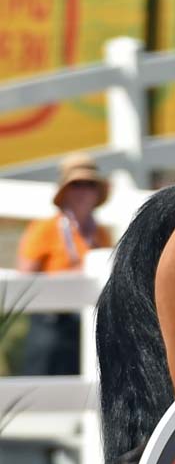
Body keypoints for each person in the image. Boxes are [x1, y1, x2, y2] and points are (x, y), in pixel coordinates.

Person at [16, 153, 112, 375]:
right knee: (42, 388)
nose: (83, 191)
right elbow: (25, 278)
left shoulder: (100, 233)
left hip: (89, 324)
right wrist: (76, 275)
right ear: (65, 192)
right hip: (51, 324)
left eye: (89, 185)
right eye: (76, 185)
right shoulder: (45, 229)